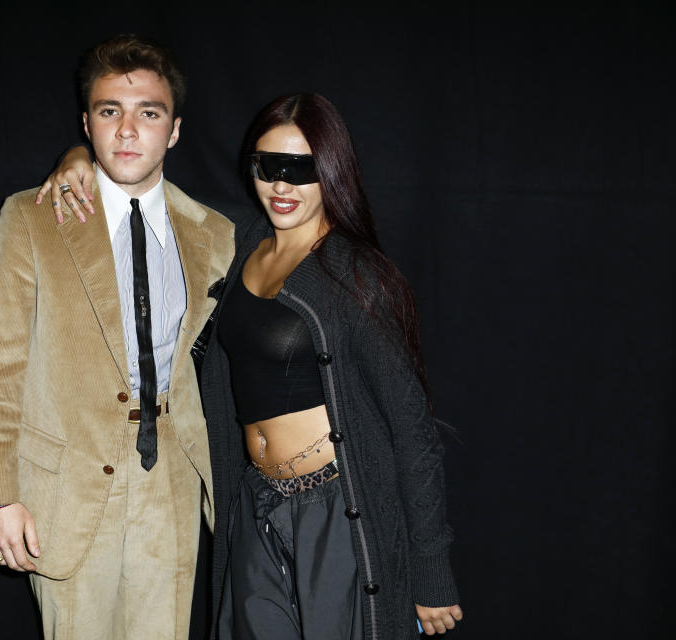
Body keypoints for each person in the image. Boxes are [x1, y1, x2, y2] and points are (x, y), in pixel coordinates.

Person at [41, 93, 462, 639]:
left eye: (300, 168)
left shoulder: (356, 276)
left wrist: (432, 572)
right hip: (256, 503)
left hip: (336, 510)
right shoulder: (238, 242)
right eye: (267, 167)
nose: (281, 185)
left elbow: (413, 432)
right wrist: (78, 156)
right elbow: (150, 192)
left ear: (332, 170)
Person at [0, 34, 234, 640]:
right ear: (87, 123)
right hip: (69, 483)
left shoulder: (215, 235)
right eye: (111, 111)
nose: (129, 130)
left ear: (176, 129)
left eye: (149, 113)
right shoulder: (32, 219)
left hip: (173, 477)